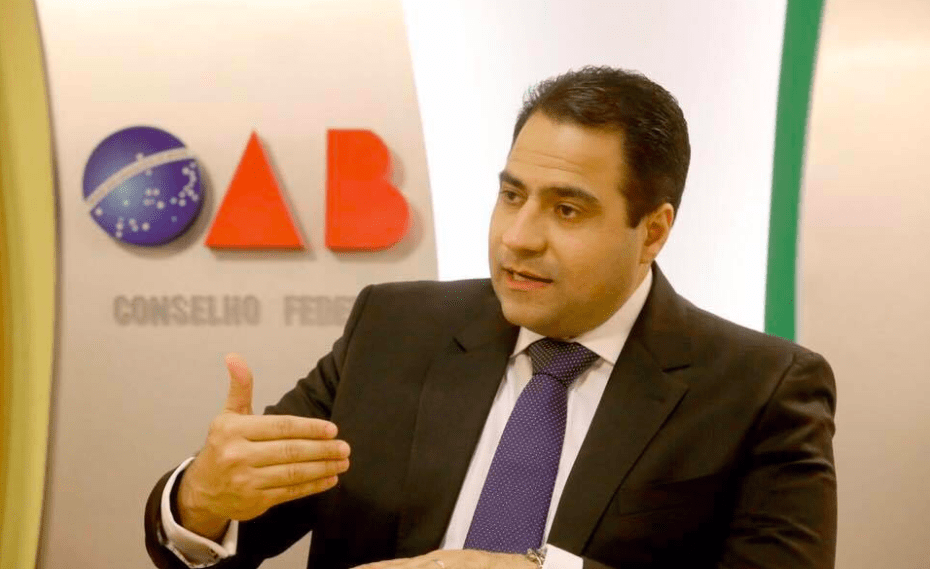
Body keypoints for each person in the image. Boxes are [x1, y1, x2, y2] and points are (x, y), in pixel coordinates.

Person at [144, 66, 837, 569]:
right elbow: (226, 526)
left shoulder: (760, 389)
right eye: (511, 195)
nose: (518, 237)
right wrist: (202, 497)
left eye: (567, 209)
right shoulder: (392, 330)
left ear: (652, 231)